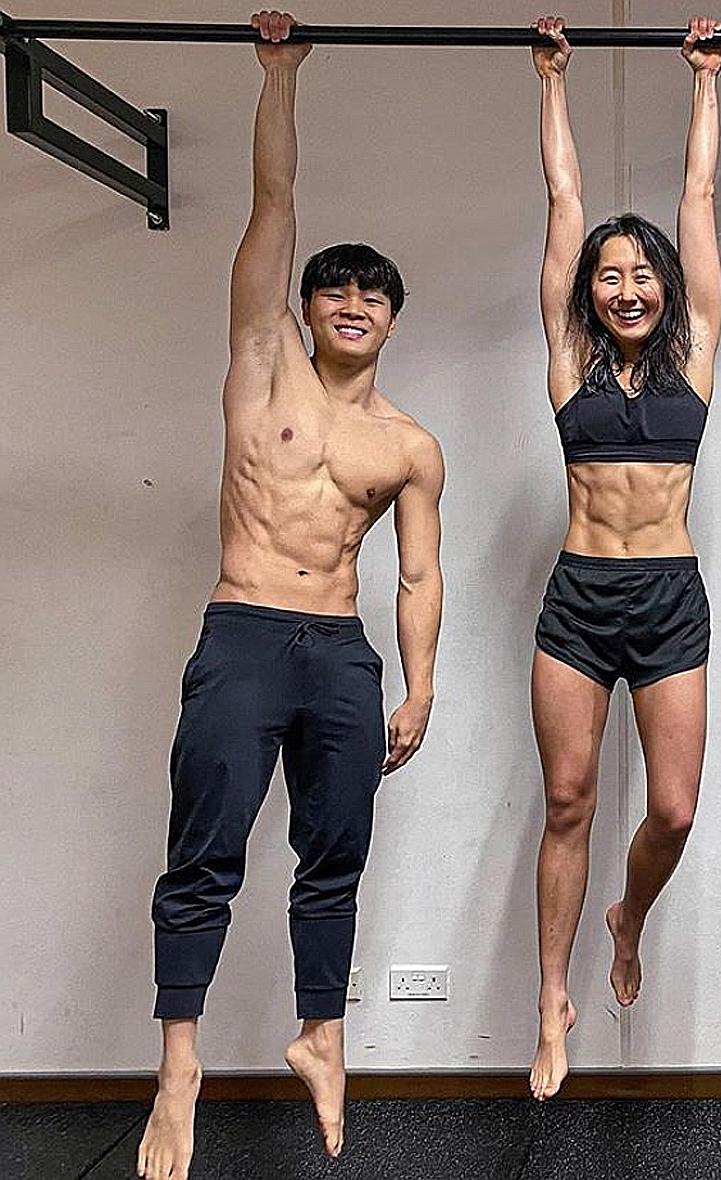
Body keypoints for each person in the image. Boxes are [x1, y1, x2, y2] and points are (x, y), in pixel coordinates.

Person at [137, 12, 445, 1179]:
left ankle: (323, 1032)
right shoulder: (262, 361)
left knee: (336, 855)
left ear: (391, 317)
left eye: (372, 295)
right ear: (309, 312)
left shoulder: (411, 445)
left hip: (340, 654)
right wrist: (278, 75)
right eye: (335, 292)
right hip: (243, 634)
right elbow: (272, 209)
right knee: (204, 852)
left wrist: (421, 685)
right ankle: (179, 1066)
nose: (353, 304)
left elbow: (419, 572)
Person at [527, 14, 721, 1102]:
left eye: (642, 273)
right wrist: (552, 79)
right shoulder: (567, 364)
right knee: (568, 799)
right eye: (610, 275)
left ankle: (628, 913)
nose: (627, 286)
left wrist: (704, 82)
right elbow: (563, 205)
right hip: (579, 595)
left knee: (676, 809)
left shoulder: (696, 357)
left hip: (669, 596)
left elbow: (697, 206)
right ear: (590, 292)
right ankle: (552, 999)